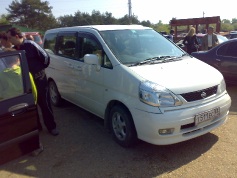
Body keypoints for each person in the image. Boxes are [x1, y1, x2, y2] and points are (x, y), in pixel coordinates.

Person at [7, 27, 59, 136]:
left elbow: (45, 58)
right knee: (30, 106)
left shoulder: (30, 45)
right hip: (25, 83)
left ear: (16, 36)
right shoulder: (14, 49)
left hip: (39, 79)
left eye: (9, 37)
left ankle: (51, 127)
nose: (9, 40)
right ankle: (36, 127)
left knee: (45, 104)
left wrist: (39, 71)